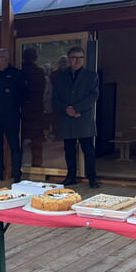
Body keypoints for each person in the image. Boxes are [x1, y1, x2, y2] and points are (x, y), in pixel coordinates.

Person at [53, 46, 100, 188]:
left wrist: (77, 108)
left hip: (83, 117)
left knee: (88, 150)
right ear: (69, 59)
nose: (77, 60)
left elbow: (93, 95)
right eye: (74, 57)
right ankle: (71, 176)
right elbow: (55, 98)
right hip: (67, 118)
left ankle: (92, 177)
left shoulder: (91, 75)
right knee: (69, 150)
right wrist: (66, 109)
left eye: (80, 57)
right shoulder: (60, 77)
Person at [0, 49, 28, 181]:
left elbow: (24, 95)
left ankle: (16, 174)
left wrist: (13, 106)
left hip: (11, 116)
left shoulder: (17, 74)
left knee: (14, 145)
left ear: (6, 59)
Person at [20, 48, 49, 168]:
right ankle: (37, 165)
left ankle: (18, 166)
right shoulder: (38, 71)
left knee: (21, 139)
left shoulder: (20, 71)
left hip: (26, 108)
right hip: (34, 108)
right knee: (35, 139)